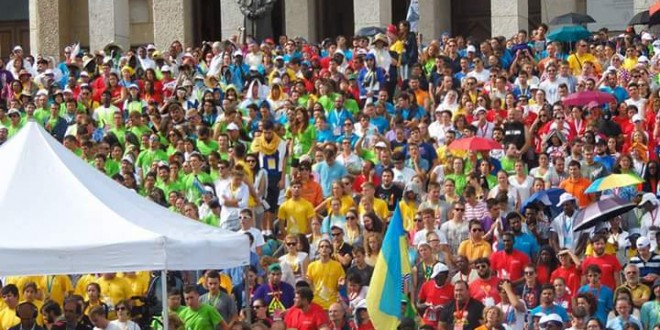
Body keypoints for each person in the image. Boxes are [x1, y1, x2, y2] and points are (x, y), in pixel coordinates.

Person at [306, 239, 345, 310]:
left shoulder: (337, 266)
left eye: (327, 247)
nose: (324, 248)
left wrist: (340, 285)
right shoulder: (311, 266)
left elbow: (341, 286)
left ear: (330, 250)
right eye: (322, 246)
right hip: (316, 303)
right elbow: (309, 285)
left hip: (332, 303)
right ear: (318, 250)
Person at [416, 263, 453, 327]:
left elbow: (454, 309)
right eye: (436, 277)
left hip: (443, 325)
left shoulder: (452, 289)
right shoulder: (426, 285)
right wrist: (426, 305)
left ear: (446, 276)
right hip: (427, 324)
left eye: (440, 277)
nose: (437, 279)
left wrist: (444, 308)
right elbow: (418, 305)